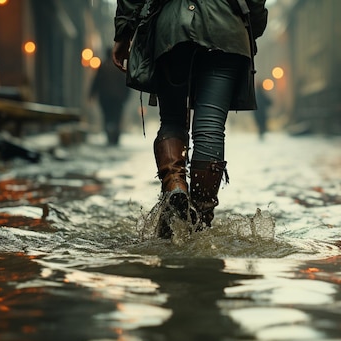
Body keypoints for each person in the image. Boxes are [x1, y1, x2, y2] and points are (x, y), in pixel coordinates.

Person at [112, 0, 268, 237]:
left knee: (173, 120)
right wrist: (250, 23)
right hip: (226, 26)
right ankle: (201, 219)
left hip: (172, 29)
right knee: (211, 125)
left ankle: (175, 185)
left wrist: (124, 32)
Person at [89, 48, 132, 145]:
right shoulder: (119, 67)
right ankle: (115, 137)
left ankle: (109, 135)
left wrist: (91, 95)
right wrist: (125, 97)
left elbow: (96, 82)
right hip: (118, 99)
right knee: (116, 117)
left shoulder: (103, 66)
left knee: (107, 117)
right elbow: (126, 84)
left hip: (105, 98)